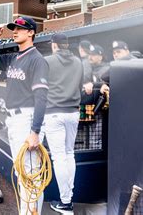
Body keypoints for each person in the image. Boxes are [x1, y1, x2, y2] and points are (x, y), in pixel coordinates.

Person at [0, 16, 49, 215]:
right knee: (22, 173)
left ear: (31, 32)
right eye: (13, 28)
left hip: (27, 120)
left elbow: (42, 98)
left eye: (20, 28)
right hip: (14, 119)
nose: (15, 31)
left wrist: (35, 131)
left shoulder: (37, 60)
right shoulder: (13, 57)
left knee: (30, 175)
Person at [43, 33, 83, 214]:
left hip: (54, 113)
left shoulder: (48, 61)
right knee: (69, 154)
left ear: (54, 45)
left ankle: (66, 202)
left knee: (59, 157)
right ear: (66, 45)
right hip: (73, 112)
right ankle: (68, 197)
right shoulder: (78, 61)